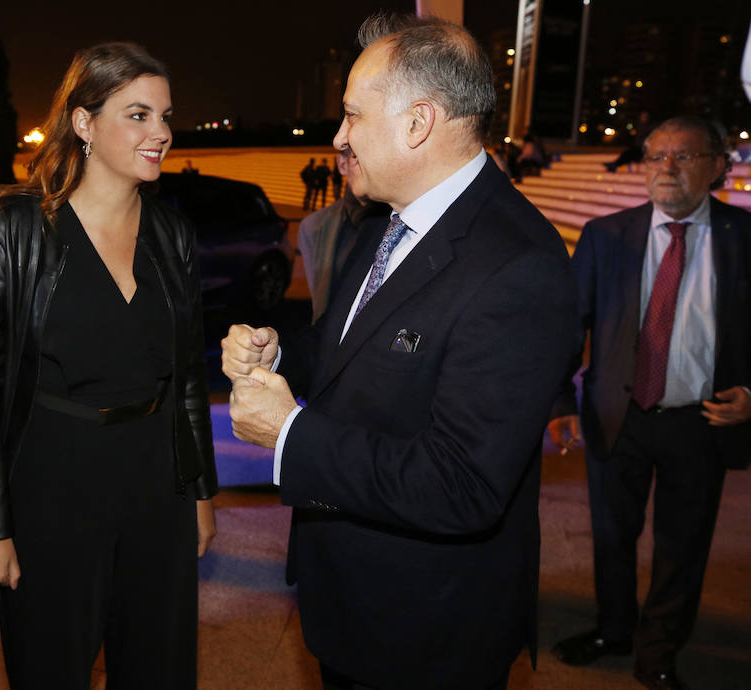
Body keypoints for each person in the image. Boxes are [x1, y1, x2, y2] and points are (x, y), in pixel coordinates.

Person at [222, 14, 578, 690]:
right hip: (351, 603)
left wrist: (289, 435)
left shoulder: (518, 266)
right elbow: (341, 350)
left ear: (418, 123)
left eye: (353, 116)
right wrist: (277, 356)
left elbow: (464, 485)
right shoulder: (387, 224)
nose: (338, 137)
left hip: (427, 634)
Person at [0, 42, 218, 689]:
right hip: (52, 486)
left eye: (165, 115)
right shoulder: (9, 228)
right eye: (138, 114)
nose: (161, 133)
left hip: (159, 487)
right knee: (51, 669)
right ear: (84, 123)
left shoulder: (172, 233)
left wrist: (202, 491)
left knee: (161, 669)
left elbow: (186, 378)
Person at [548, 116, 751, 690]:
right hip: (618, 416)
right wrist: (561, 400)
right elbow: (568, 327)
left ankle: (658, 653)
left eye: (682, 156)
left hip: (701, 422)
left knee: (682, 545)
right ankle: (614, 629)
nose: (665, 168)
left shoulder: (744, 236)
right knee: (612, 534)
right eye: (655, 155)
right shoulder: (605, 235)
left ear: (717, 166)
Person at [297, 147, 389, 321]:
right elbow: (320, 303)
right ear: (342, 164)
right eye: (358, 157)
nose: (369, 166)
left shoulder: (404, 222)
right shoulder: (313, 227)